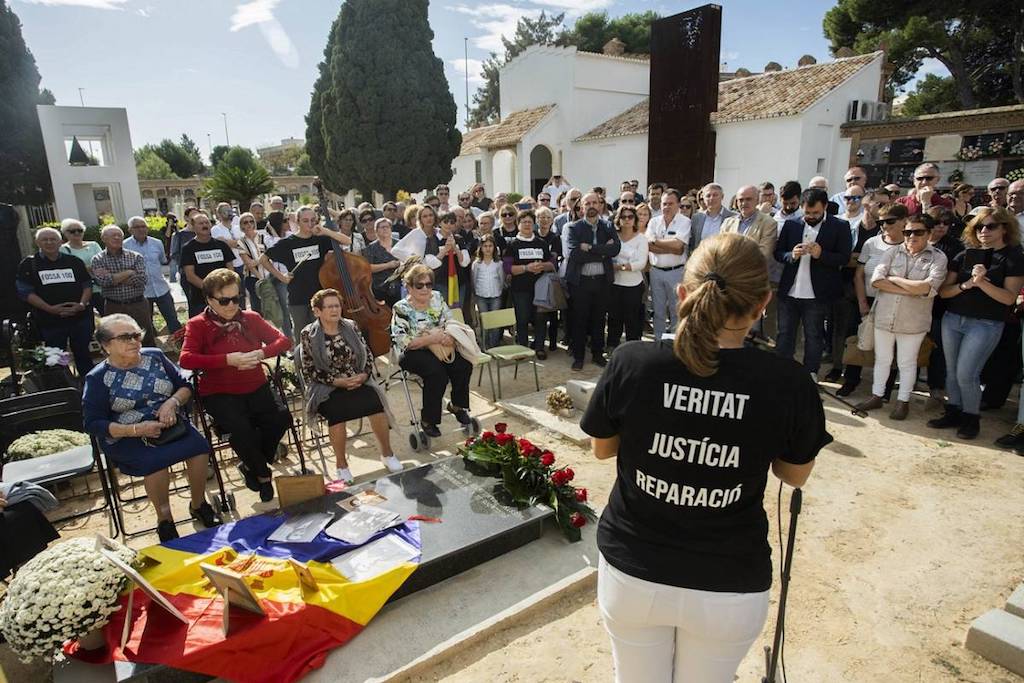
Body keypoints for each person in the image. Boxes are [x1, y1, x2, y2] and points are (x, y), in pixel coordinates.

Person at [581, 232, 829, 683]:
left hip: (634, 572)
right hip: (729, 581)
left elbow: (602, 449)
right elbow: (795, 475)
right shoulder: (788, 381)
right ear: (763, 303)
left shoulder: (632, 361)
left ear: (682, 293)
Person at [83, 313, 220, 542]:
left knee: (199, 448)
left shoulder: (155, 356)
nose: (134, 342)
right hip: (127, 435)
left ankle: (199, 505)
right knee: (154, 462)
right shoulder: (97, 378)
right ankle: (164, 519)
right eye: (125, 337)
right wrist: (136, 430)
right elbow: (93, 423)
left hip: (169, 424)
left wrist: (172, 402)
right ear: (106, 345)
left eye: (136, 335)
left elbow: (184, 386)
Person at [179, 268, 293, 501]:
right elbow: (186, 359)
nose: (232, 305)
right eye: (224, 300)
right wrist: (227, 360)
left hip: (256, 385)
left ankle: (251, 465)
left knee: (282, 418)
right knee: (242, 430)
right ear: (209, 299)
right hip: (220, 392)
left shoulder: (250, 318)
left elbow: (284, 341)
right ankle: (262, 475)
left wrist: (261, 353)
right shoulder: (197, 324)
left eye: (236, 298)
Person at [929, 208, 1024, 439]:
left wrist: (981, 283)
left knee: (967, 373)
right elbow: (944, 291)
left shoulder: (1013, 256)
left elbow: (1009, 298)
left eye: (990, 226)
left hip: (986, 324)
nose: (984, 231)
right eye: (979, 227)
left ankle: (971, 418)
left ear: (1004, 228)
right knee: (951, 372)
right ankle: (953, 412)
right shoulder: (964, 255)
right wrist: (966, 285)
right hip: (953, 319)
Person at [300, 288, 402, 483]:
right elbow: (310, 369)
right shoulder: (308, 334)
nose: (334, 310)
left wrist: (363, 375)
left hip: (357, 379)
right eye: (329, 307)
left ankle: (387, 454)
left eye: (337, 306)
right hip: (327, 386)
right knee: (337, 413)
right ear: (317, 311)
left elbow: (367, 354)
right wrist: (337, 381)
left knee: (375, 403)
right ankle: (341, 465)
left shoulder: (351, 326)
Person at [854, 214, 948, 419]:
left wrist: (895, 280)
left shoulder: (938, 257)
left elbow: (927, 287)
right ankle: (877, 396)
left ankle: (902, 401)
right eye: (908, 232)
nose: (911, 236)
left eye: (918, 232)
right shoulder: (892, 252)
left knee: (907, 362)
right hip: (884, 316)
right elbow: (876, 281)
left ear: (929, 233)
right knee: (882, 360)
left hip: (913, 321)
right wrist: (913, 289)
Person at [773, 188, 852, 379]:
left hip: (817, 295)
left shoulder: (839, 226)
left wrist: (821, 255)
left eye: (815, 213)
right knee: (784, 335)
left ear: (825, 207)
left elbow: (844, 258)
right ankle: (783, 372)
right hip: (789, 292)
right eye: (807, 213)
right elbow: (778, 253)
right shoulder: (792, 225)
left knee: (814, 335)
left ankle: (810, 373)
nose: (810, 217)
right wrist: (791, 255)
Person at [391, 264, 474, 438]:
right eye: (419, 285)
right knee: (437, 374)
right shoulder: (401, 308)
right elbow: (403, 341)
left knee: (463, 365)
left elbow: (449, 321)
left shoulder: (437, 297)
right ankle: (429, 420)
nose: (425, 289)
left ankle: (457, 406)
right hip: (414, 351)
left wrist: (450, 337)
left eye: (429, 284)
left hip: (441, 345)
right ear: (409, 287)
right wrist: (431, 339)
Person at [838, 204, 908, 396]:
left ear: (904, 222)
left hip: (895, 303)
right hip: (865, 299)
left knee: (890, 346)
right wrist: (862, 303)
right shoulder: (871, 243)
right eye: (881, 222)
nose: (885, 226)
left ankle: (884, 388)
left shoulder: (909, 246)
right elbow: (859, 275)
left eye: (890, 221)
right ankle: (851, 380)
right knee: (856, 340)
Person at [258, 205, 353, 339]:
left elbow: (347, 241)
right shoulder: (287, 243)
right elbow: (263, 259)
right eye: (305, 220)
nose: (310, 223)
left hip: (320, 294)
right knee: (302, 336)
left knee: (321, 334)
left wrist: (326, 231)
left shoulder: (320, 239)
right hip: (298, 297)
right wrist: (281, 277)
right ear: (297, 222)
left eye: (313, 220)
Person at [16, 227, 94, 378]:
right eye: (45, 239)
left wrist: (82, 305)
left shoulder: (74, 262)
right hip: (50, 321)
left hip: (79, 319)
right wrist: (50, 309)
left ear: (60, 242)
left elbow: (87, 285)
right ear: (37, 242)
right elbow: (26, 292)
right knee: (56, 359)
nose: (49, 242)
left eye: (53, 239)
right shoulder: (29, 264)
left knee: (84, 355)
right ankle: (64, 387)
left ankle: (88, 387)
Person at [566, 192, 621, 370]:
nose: (591, 206)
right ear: (581, 207)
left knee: (599, 320)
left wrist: (589, 248)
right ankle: (579, 357)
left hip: (602, 282)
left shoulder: (608, 225)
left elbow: (615, 249)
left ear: (600, 205)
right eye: (587, 203)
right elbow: (575, 254)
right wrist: (602, 251)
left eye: (594, 202)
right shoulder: (574, 228)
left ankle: (598, 354)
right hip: (581, 282)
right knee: (579, 320)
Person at [924, 207, 965, 407]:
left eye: (946, 223)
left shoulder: (955, 247)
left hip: (941, 306)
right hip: (915, 304)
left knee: (937, 349)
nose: (941, 226)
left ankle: (936, 387)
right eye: (937, 222)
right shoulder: (917, 240)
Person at [504, 209, 556, 359]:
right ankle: (523, 348)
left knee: (540, 318)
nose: (527, 224)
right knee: (522, 319)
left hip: (540, 288)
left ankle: (539, 347)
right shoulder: (513, 244)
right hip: (520, 289)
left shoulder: (541, 243)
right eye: (524, 222)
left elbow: (552, 263)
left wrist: (542, 266)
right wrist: (526, 268)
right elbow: (507, 268)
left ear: (534, 225)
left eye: (530, 222)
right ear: (518, 224)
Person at [91, 226, 156, 346]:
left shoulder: (136, 256)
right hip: (113, 306)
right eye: (113, 235)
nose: (117, 238)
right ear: (103, 238)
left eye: (119, 235)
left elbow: (141, 280)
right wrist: (129, 272)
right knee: (117, 339)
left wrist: (114, 277)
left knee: (145, 338)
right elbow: (104, 282)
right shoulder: (98, 259)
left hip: (138, 304)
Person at [124, 216, 181, 336]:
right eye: (137, 227)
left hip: (161, 288)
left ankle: (180, 348)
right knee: (145, 325)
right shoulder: (125, 246)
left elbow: (162, 260)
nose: (141, 229)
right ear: (130, 230)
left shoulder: (157, 243)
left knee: (173, 321)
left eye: (143, 226)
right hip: (141, 292)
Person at [646, 189, 690, 341]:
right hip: (656, 271)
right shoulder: (653, 221)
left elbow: (679, 247)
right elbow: (648, 246)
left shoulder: (685, 222)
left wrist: (656, 242)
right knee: (658, 310)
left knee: (675, 310)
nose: (666, 207)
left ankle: (674, 341)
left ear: (678, 204)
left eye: (671, 203)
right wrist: (670, 247)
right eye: (664, 204)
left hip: (676, 272)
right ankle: (659, 341)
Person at [180, 211, 237, 317]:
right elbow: (190, 276)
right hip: (200, 299)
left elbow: (230, 268)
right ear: (193, 226)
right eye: (200, 223)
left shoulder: (221, 245)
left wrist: (225, 289)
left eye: (206, 223)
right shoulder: (188, 248)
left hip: (224, 298)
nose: (205, 225)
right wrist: (211, 290)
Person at [607, 205, 649, 348]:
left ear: (635, 219)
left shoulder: (642, 239)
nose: (627, 219)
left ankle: (633, 350)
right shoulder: (612, 238)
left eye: (630, 216)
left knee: (632, 321)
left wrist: (620, 267)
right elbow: (607, 258)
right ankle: (613, 348)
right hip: (614, 285)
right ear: (618, 219)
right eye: (623, 217)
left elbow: (641, 263)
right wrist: (627, 265)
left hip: (634, 286)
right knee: (614, 319)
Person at [59, 218, 104, 314]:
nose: (76, 233)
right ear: (65, 233)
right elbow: (67, 271)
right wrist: (89, 268)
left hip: (99, 288)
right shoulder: (62, 250)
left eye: (80, 230)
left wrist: (82, 268)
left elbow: (103, 263)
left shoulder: (94, 245)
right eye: (72, 231)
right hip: (80, 291)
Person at [260, 210, 293, 338]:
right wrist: (273, 232)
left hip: (291, 274)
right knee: (284, 309)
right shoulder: (268, 238)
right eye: (284, 221)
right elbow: (277, 247)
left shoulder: (290, 235)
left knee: (292, 308)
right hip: (278, 277)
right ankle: (288, 339)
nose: (287, 223)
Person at [472, 234, 505, 348]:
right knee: (484, 321)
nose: (487, 248)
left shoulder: (498, 263)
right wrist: (475, 294)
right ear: (480, 247)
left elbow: (501, 280)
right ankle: (485, 346)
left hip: (496, 295)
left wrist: (499, 291)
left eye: (490, 246)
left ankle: (494, 345)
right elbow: (474, 279)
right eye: (485, 246)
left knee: (494, 321)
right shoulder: (477, 264)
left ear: (494, 248)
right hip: (481, 295)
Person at [688, 183, 736, 255]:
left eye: (715, 195)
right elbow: (692, 243)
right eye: (708, 196)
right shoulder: (697, 218)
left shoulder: (733, 217)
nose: (711, 198)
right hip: (702, 259)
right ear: (703, 199)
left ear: (722, 197)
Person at [365, 218, 402, 306]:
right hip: (380, 287)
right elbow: (368, 267)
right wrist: (388, 265)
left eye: (387, 227)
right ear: (376, 231)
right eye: (382, 227)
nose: (385, 229)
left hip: (399, 287)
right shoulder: (371, 248)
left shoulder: (400, 244)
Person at [170, 210, 197, 287]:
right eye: (193, 215)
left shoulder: (204, 233)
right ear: (186, 218)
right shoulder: (179, 235)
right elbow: (175, 255)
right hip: (187, 274)